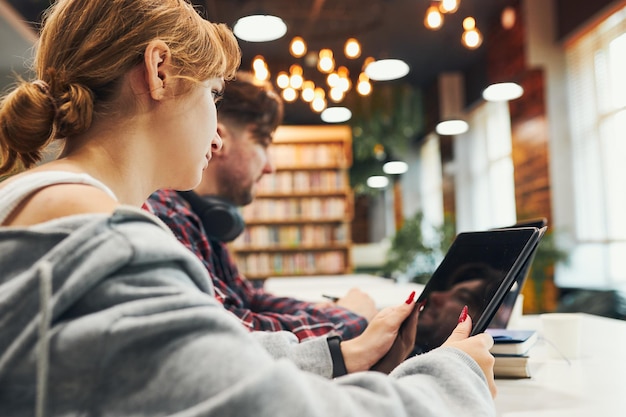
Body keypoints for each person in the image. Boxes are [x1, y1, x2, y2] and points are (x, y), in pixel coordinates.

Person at [0, 0, 496, 415]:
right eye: (214, 93)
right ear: (159, 71)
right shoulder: (107, 237)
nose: (217, 131)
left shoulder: (37, 204)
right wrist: (454, 372)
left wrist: (340, 355)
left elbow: (188, 353)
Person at [146, 71, 377, 343]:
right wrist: (347, 317)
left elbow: (248, 298)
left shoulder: (199, 216)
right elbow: (233, 332)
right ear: (218, 138)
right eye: (264, 143)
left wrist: (324, 311)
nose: (271, 166)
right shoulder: (168, 215)